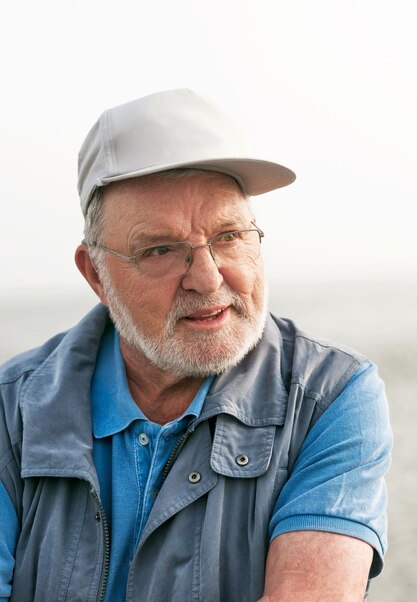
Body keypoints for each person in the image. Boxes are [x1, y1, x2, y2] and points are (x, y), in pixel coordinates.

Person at [0, 88, 392, 602]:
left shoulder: (328, 399)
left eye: (229, 236)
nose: (207, 279)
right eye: (161, 249)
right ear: (95, 274)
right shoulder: (12, 410)